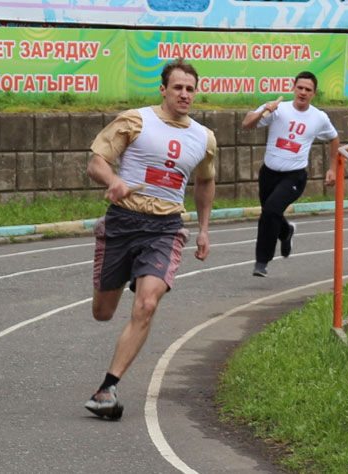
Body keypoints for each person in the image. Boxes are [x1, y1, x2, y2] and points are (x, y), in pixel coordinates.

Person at [84, 58, 216, 419]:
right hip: (123, 222)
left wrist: (204, 229)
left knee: (146, 304)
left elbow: (205, 181)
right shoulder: (135, 121)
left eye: (190, 89)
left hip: (165, 228)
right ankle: (130, 274)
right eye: (178, 87)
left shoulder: (204, 138)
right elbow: (96, 162)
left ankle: (107, 388)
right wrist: (113, 180)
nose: (184, 94)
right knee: (102, 313)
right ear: (163, 89)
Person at [241, 71, 340, 277]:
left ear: (314, 93)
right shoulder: (278, 109)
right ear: (293, 88)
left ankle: (262, 261)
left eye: (308, 90)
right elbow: (246, 124)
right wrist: (262, 112)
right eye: (300, 88)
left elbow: (334, 138)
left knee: (270, 211)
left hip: (294, 176)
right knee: (271, 212)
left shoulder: (319, 117)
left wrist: (333, 168)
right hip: (269, 173)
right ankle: (286, 231)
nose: (303, 92)